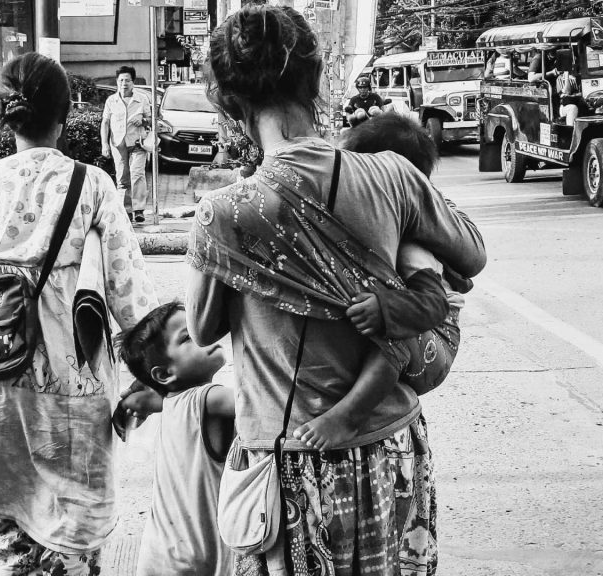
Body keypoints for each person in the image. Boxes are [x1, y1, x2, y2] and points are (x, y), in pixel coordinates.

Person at [188, 5, 486, 574]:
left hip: (292, 463)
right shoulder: (394, 176)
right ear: (316, 79)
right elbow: (471, 253)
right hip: (392, 452)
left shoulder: (224, 214)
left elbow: (203, 331)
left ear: (230, 103)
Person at [0, 52, 157, 576]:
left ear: (6, 116)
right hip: (74, 385)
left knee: (14, 522)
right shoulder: (93, 185)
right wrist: (155, 376)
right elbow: (129, 291)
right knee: (72, 533)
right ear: (66, 115)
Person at [288, 113, 471, 449]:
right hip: (420, 327)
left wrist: (383, 309)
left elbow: (433, 305)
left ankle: (349, 416)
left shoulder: (412, 244)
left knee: (393, 335)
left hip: (435, 337)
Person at [117, 302, 234, 576]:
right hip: (197, 557)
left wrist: (146, 398)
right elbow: (259, 404)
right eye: (188, 337)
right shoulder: (211, 398)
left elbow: (168, 398)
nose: (206, 335)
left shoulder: (171, 402)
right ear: (165, 374)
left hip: (160, 553)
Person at [101, 65, 152, 223]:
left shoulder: (142, 99)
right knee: (123, 178)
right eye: (121, 80)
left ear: (133, 82)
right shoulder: (112, 101)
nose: (124, 83)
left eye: (127, 80)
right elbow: (105, 123)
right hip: (118, 144)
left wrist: (143, 120)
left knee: (137, 174)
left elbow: (152, 120)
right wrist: (105, 144)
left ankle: (138, 209)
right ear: (117, 82)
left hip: (138, 143)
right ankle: (125, 210)